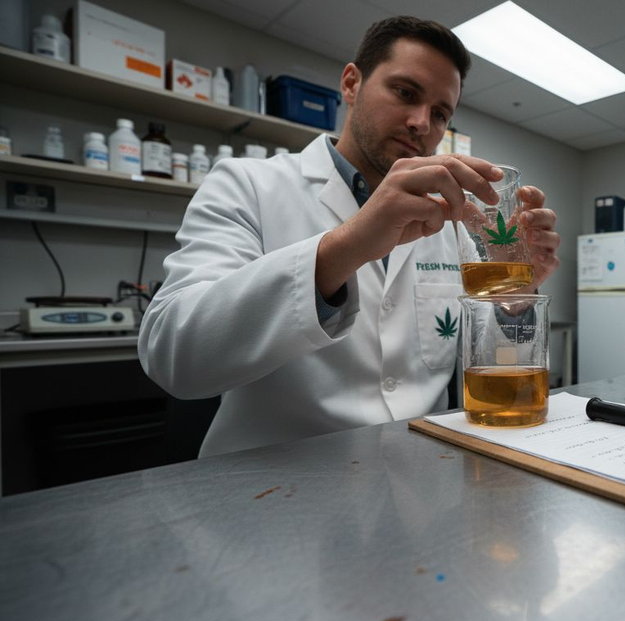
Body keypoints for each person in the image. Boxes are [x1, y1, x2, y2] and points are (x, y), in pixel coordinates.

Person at [138, 17, 562, 457]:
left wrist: (519, 292)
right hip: (275, 493)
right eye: (405, 93)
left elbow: (497, 361)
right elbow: (173, 355)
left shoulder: (452, 222)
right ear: (351, 83)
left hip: (421, 481)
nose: (422, 123)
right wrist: (346, 245)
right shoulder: (248, 184)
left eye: (440, 114)